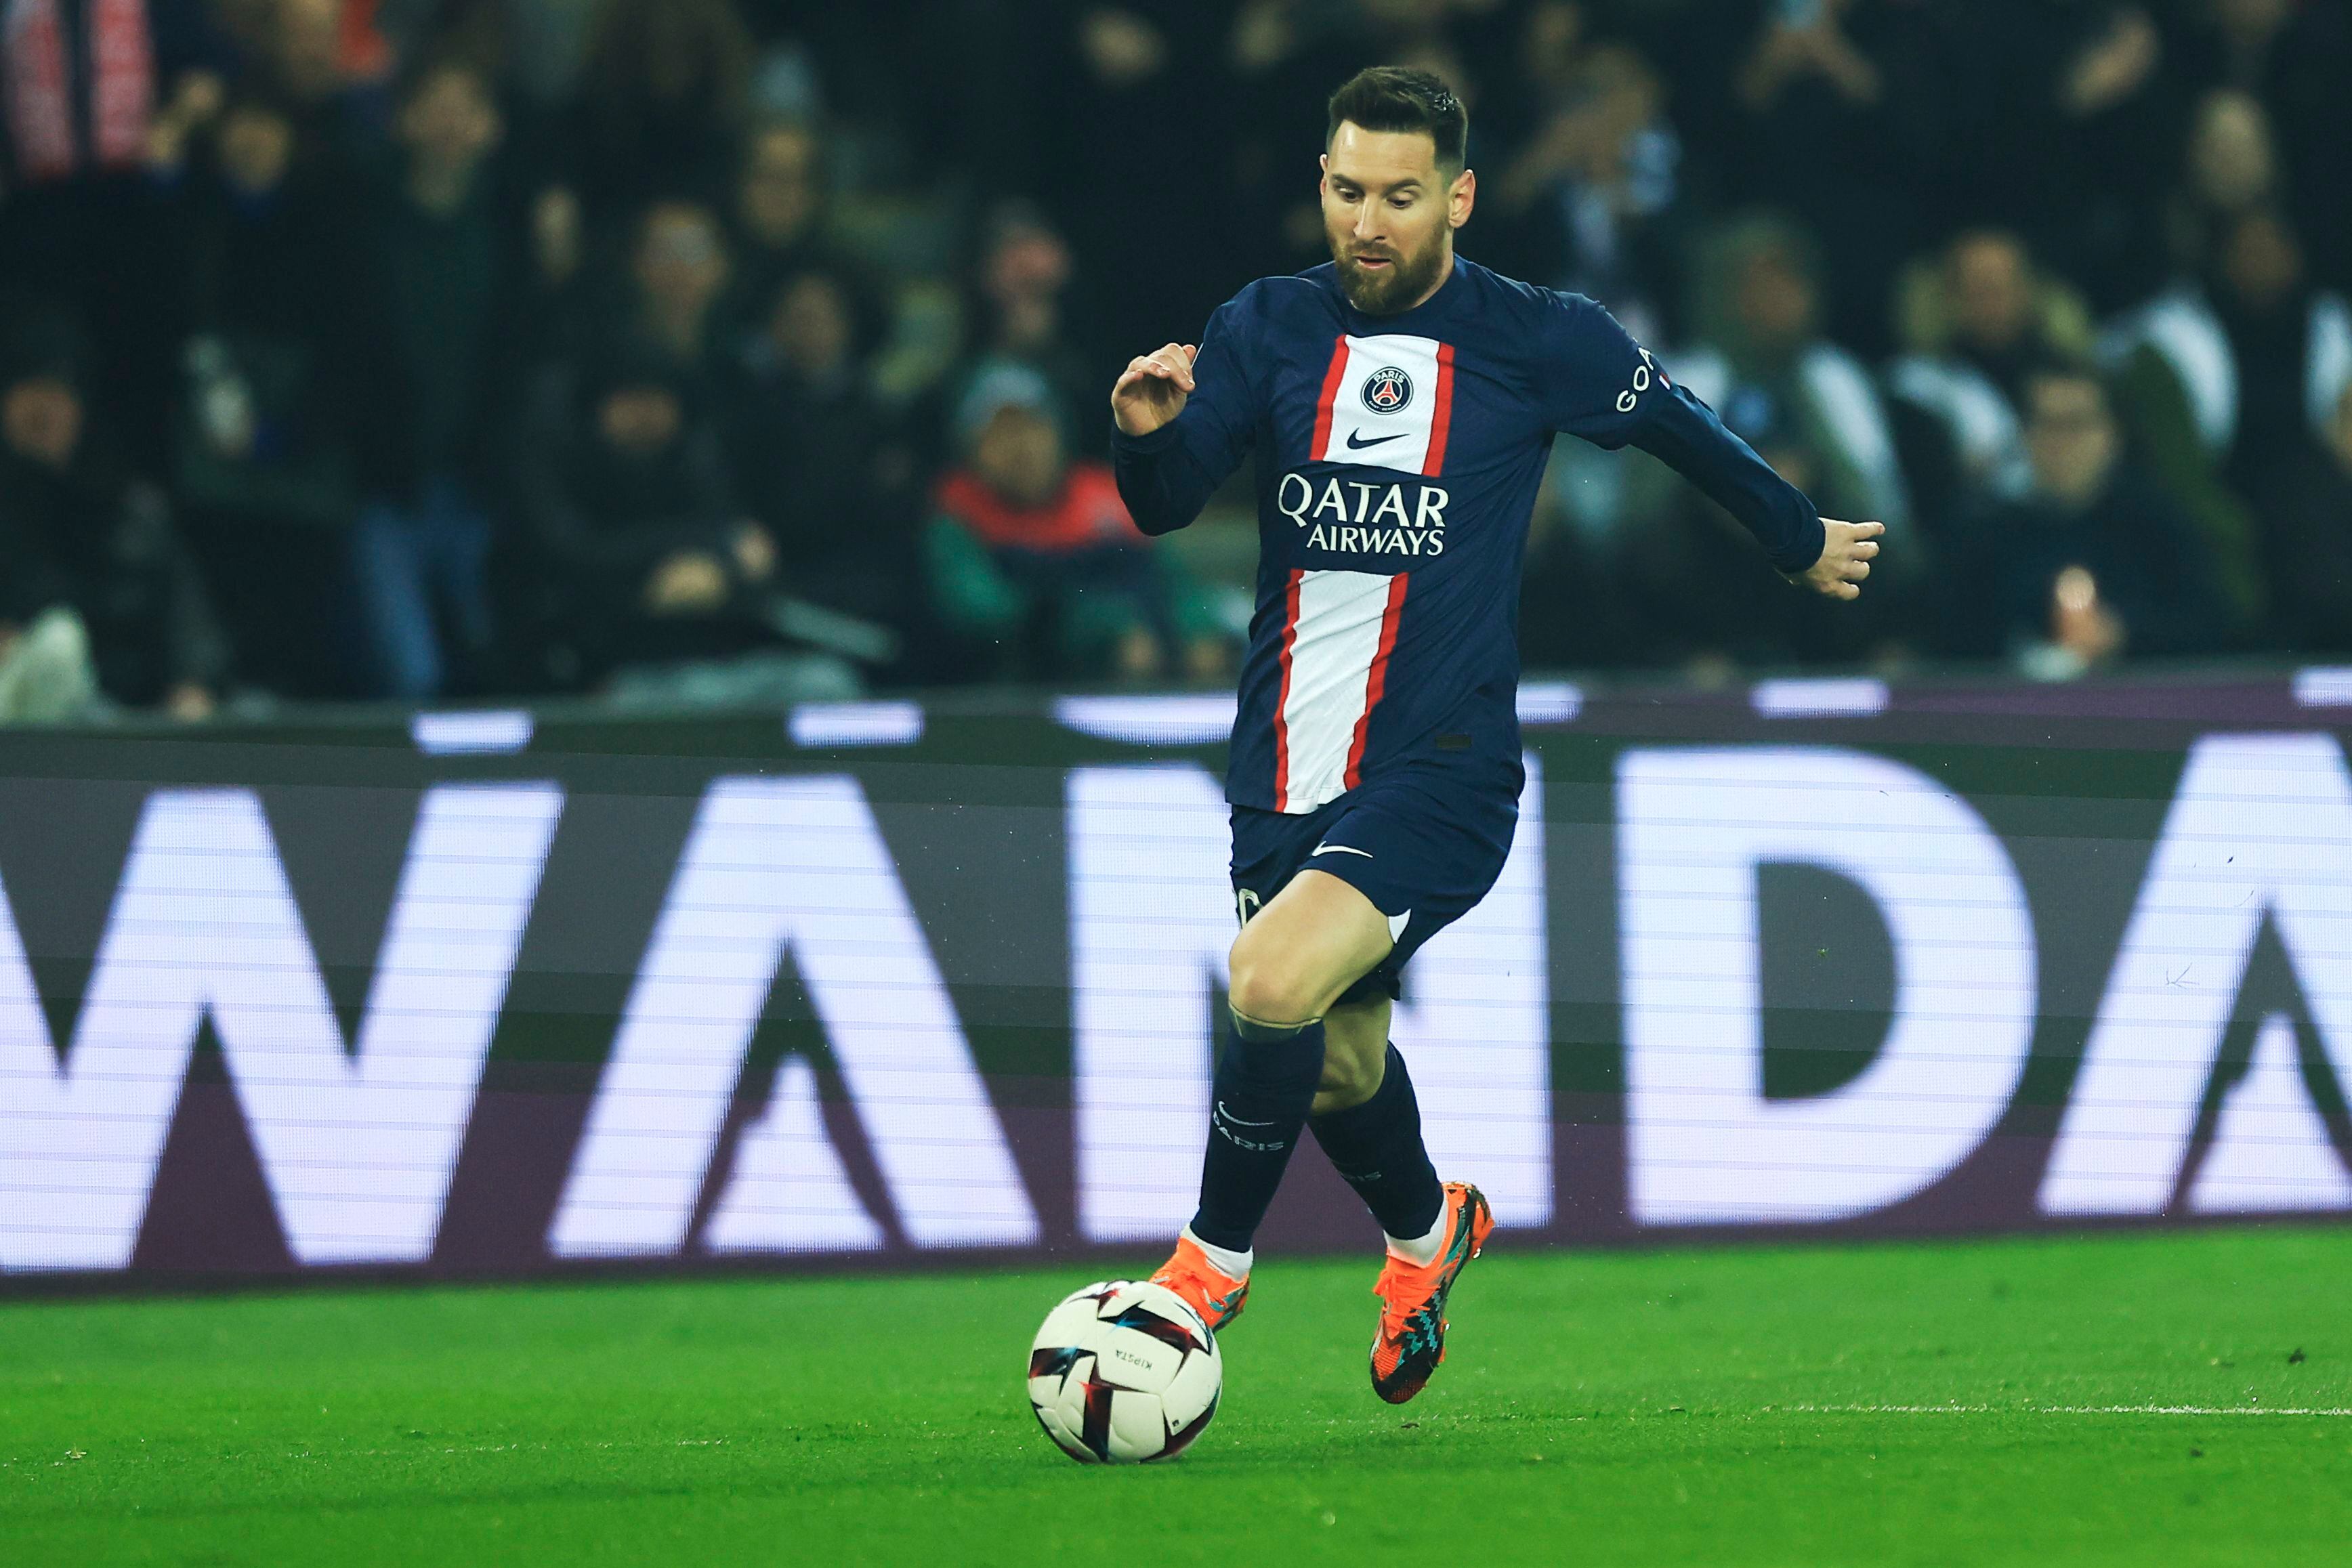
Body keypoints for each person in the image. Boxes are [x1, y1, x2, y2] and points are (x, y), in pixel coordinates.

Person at [1110, 66, 1880, 1404]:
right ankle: (1425, 1231)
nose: (1368, 223)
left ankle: (1205, 1266)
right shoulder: (1266, 326)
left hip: (1443, 765)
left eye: (1398, 198)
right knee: (1338, 1057)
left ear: (1455, 197)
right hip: (1284, 763)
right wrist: (1141, 438)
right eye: (1347, 192)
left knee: (1265, 980)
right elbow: (1170, 503)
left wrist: (1793, 534)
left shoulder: (1535, 335)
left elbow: (1677, 429)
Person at [1943, 366, 2228, 673]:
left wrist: (2122, 636)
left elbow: (2212, 626)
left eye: (2075, 424)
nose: (2060, 442)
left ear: (2112, 434)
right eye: (2046, 423)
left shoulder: (2159, 526)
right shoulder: (1985, 535)